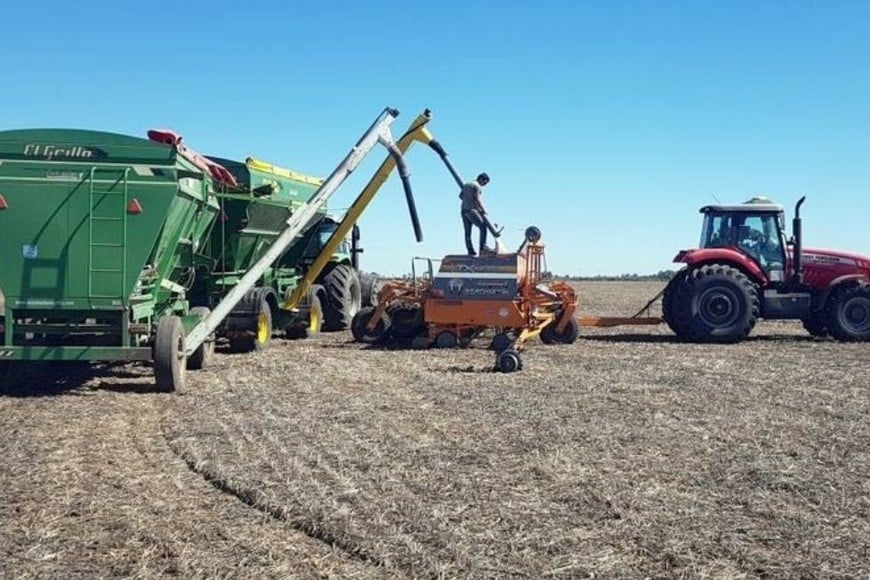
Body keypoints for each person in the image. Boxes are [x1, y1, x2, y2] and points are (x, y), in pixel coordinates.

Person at [459, 172, 491, 256]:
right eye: (485, 182)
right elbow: (476, 199)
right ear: (481, 179)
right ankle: (483, 247)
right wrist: (482, 209)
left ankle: (470, 250)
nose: (484, 185)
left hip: (463, 210)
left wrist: (467, 199)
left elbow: (460, 196)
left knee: (467, 232)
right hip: (471, 210)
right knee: (483, 227)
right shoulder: (476, 186)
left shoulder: (466, 184)